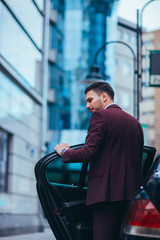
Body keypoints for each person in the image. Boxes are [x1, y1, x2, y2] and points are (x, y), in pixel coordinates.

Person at [54, 81, 144, 240]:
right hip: (132, 194)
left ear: (104, 96)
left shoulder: (100, 117)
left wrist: (64, 152)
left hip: (105, 193)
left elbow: (88, 152)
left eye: (90, 100)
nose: (87, 106)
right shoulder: (135, 124)